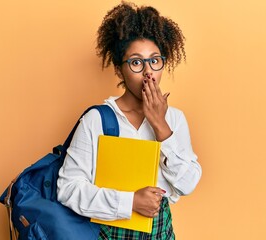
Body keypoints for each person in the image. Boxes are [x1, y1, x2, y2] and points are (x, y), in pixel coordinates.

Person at [57, 2, 202, 239]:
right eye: (136, 62)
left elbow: (188, 184)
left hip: (161, 233)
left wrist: (161, 127)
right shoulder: (97, 119)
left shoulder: (174, 119)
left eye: (155, 60)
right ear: (118, 69)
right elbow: (68, 189)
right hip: (107, 234)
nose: (148, 72)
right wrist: (130, 202)